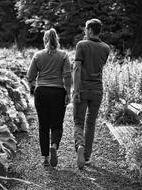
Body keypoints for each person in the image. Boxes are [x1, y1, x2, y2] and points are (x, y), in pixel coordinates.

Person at [27, 28, 71, 167]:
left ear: (45, 40)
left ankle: (45, 158)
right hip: (58, 92)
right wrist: (68, 93)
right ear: (56, 39)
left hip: (41, 92)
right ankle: (54, 145)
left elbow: (30, 77)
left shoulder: (38, 55)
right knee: (57, 124)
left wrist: (33, 83)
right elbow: (67, 75)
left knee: (43, 126)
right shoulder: (63, 55)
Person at [73, 19, 110, 169]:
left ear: (89, 30)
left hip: (82, 88)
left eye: (85, 29)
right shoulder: (106, 48)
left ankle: (80, 145)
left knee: (78, 122)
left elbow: (77, 69)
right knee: (91, 123)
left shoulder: (81, 45)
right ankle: (87, 156)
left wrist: (75, 90)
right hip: (97, 90)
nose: (84, 31)